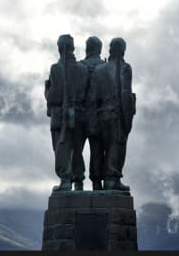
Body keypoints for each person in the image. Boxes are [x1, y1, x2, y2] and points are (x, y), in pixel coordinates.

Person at [44, 34, 90, 192]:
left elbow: (55, 96)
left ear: (59, 48)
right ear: (72, 48)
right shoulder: (83, 69)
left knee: (62, 149)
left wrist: (47, 91)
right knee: (77, 149)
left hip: (61, 116)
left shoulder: (56, 68)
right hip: (80, 115)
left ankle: (65, 180)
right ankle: (79, 181)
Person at [94, 37, 136, 191]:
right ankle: (112, 180)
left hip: (100, 115)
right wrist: (128, 117)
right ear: (123, 50)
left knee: (102, 150)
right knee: (116, 147)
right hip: (117, 114)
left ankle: (100, 181)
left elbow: (94, 96)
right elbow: (125, 93)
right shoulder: (125, 68)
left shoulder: (99, 69)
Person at [79, 36, 106, 190]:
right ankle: (97, 182)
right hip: (99, 115)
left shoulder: (79, 66)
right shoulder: (105, 67)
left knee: (77, 150)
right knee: (97, 150)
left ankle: (77, 182)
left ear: (87, 48)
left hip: (79, 115)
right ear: (100, 49)